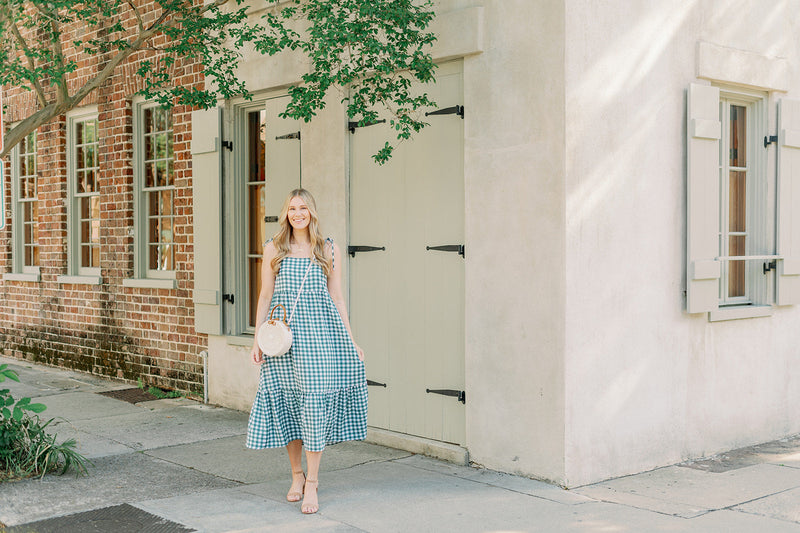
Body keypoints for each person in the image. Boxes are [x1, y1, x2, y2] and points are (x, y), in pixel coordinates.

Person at [246, 188, 368, 515]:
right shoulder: (273, 248)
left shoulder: (327, 250)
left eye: (303, 208)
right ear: (285, 213)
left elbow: (337, 298)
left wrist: (351, 340)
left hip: (320, 339)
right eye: (292, 208)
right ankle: (296, 475)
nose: (297, 213)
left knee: (313, 407)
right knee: (289, 406)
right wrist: (257, 339)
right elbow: (264, 297)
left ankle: (312, 482)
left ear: (311, 212)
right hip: (283, 343)